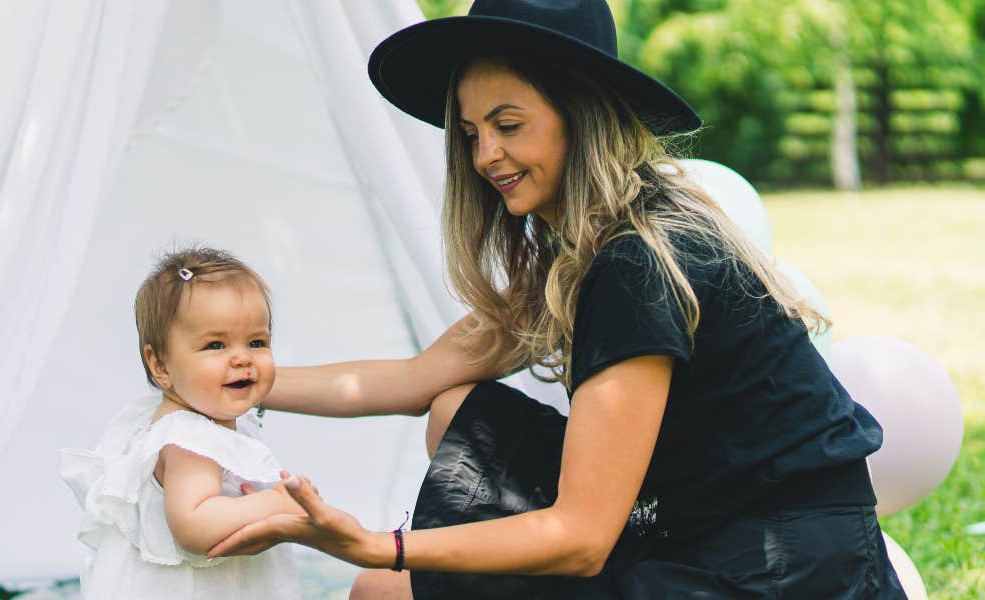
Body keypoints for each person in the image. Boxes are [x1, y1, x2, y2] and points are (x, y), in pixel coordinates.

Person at [208, 1, 909, 598]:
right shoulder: (585, 246)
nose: (485, 157)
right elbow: (417, 379)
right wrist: (239, 381)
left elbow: (579, 538)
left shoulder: (637, 264)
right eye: (473, 132)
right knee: (456, 409)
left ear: (580, 115)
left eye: (509, 126)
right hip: (693, 520)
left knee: (379, 590)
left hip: (779, 568)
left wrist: (377, 545)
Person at [59, 247, 301, 599]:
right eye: (215, 344)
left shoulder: (203, 421)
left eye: (257, 342)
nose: (242, 358)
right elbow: (195, 526)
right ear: (160, 365)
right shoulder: (189, 437)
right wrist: (276, 504)